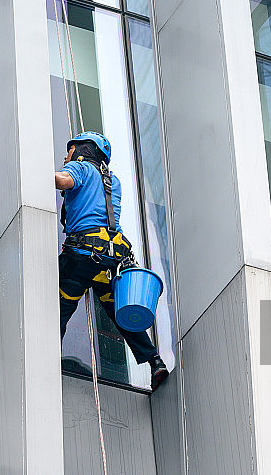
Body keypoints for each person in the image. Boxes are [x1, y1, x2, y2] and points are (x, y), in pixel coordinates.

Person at [55, 131, 169, 391]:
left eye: (70, 150)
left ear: (83, 150)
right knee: (121, 312)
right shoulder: (112, 180)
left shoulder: (81, 167)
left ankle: (48, 358)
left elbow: (63, 181)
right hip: (109, 259)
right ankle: (155, 361)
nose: (66, 156)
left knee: (57, 309)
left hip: (81, 256)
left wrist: (38, 172)